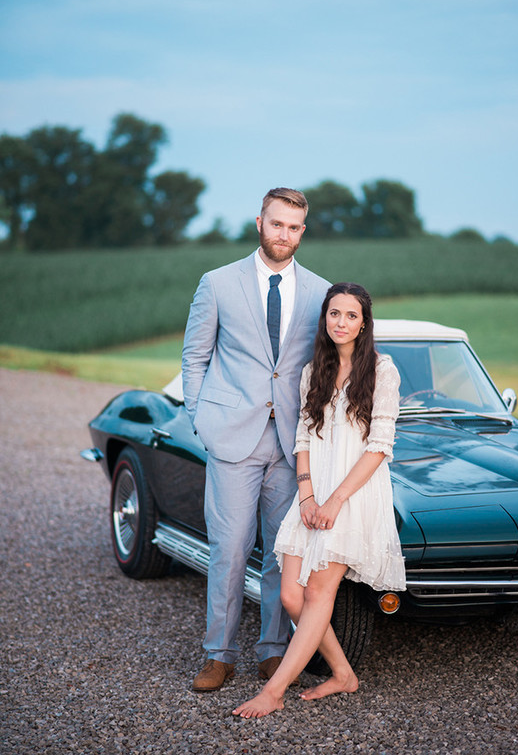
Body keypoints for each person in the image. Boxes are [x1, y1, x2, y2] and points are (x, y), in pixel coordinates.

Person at [232, 282, 406, 718]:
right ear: (325, 319)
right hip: (313, 491)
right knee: (292, 596)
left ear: (364, 322)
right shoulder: (314, 370)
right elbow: (303, 436)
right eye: (334, 314)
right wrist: (308, 495)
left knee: (317, 592)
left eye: (350, 315)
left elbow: (380, 445)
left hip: (354, 493)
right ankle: (344, 674)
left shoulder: (383, 370)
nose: (341, 322)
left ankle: (273, 691)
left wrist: (336, 501)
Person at [182, 187, 330, 693]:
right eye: (276, 224)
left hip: (293, 446)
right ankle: (218, 654)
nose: (283, 235)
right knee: (228, 548)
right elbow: (194, 358)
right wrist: (201, 417)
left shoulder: (319, 291)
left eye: (293, 227)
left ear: (302, 232)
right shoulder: (218, 283)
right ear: (260, 223)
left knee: (281, 553)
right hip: (231, 437)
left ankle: (272, 650)